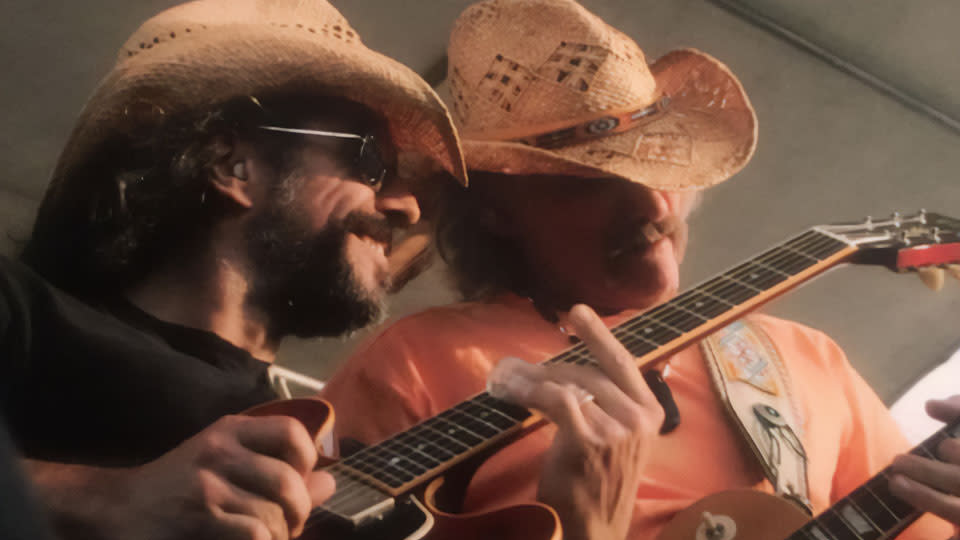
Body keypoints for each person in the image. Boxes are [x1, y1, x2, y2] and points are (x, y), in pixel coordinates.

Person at [320, 1, 956, 539]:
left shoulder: (805, 359)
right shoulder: (417, 360)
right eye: (589, 182)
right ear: (495, 211)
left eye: (661, 169)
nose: (654, 206)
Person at [0, 0, 468, 539]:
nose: (408, 207)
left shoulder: (319, 454)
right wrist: (104, 497)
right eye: (371, 163)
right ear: (232, 166)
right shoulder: (25, 314)